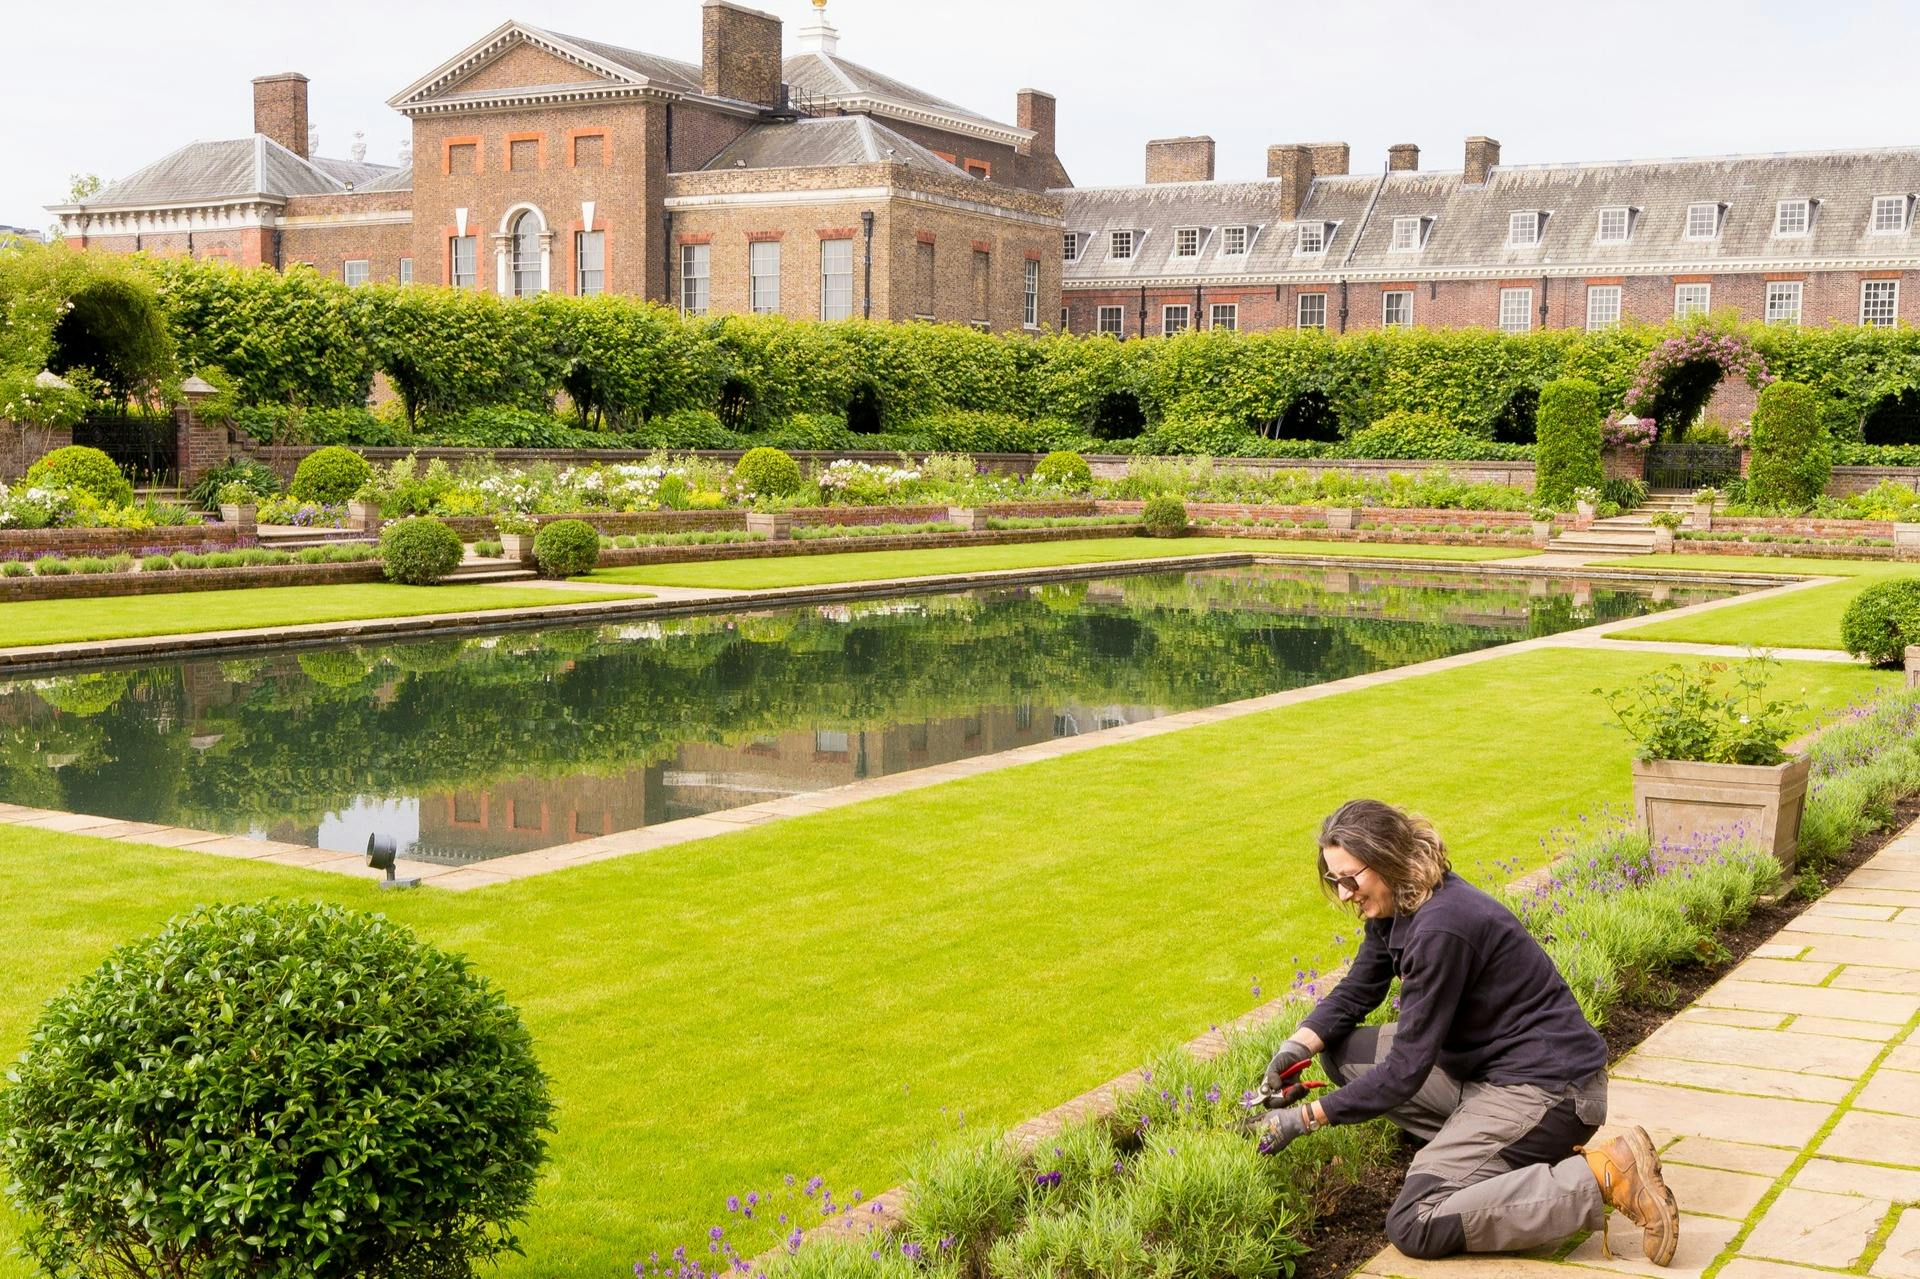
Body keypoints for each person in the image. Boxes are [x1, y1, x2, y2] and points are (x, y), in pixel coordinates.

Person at [1252, 799, 1680, 1265]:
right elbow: (1359, 987)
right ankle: (1483, 1166)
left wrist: (1305, 1118)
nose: (1344, 894)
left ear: (1388, 859)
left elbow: (1405, 1071)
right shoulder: (1401, 901)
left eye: (1350, 878)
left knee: (1415, 1221)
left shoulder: (1442, 929)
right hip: (1487, 1072)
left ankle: (1605, 1175)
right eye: (1334, 881)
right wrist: (1298, 1045)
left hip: (1550, 1093)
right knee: (1341, 1053)